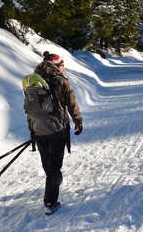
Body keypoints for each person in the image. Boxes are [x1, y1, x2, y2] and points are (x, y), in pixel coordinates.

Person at [27, 51, 83, 215]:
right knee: (55, 168)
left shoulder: (33, 81)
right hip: (57, 129)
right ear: (57, 66)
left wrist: (31, 129)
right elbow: (72, 104)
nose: (64, 68)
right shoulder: (61, 81)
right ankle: (50, 202)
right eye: (62, 65)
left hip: (38, 129)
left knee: (48, 165)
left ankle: (51, 184)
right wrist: (78, 121)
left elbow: (29, 109)